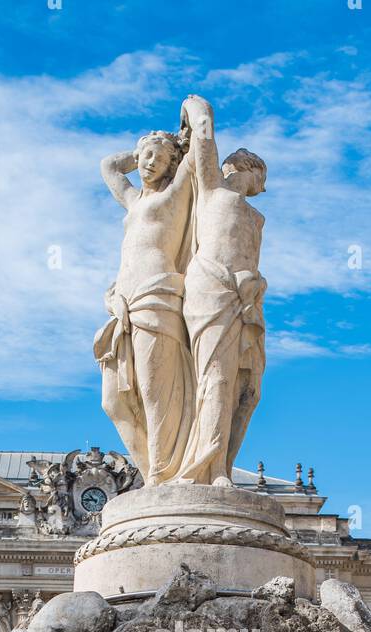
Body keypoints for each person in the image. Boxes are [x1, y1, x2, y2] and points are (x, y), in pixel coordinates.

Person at [94, 129, 196, 484]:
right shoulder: (134, 201)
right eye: (144, 157)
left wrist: (183, 135)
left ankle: (161, 474)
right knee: (114, 400)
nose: (148, 164)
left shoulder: (175, 195)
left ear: (173, 165)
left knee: (154, 392)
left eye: (158, 158)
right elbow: (108, 165)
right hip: (122, 303)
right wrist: (141, 150)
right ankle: (155, 470)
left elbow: (199, 148)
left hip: (157, 295)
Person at [178, 95, 268, 484]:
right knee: (215, 378)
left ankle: (223, 464)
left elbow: (252, 260)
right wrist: (193, 107)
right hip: (211, 288)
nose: (261, 189)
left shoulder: (256, 216)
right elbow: (203, 133)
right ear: (247, 168)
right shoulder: (212, 188)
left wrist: (256, 284)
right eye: (260, 179)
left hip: (247, 302)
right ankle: (208, 467)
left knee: (246, 392)